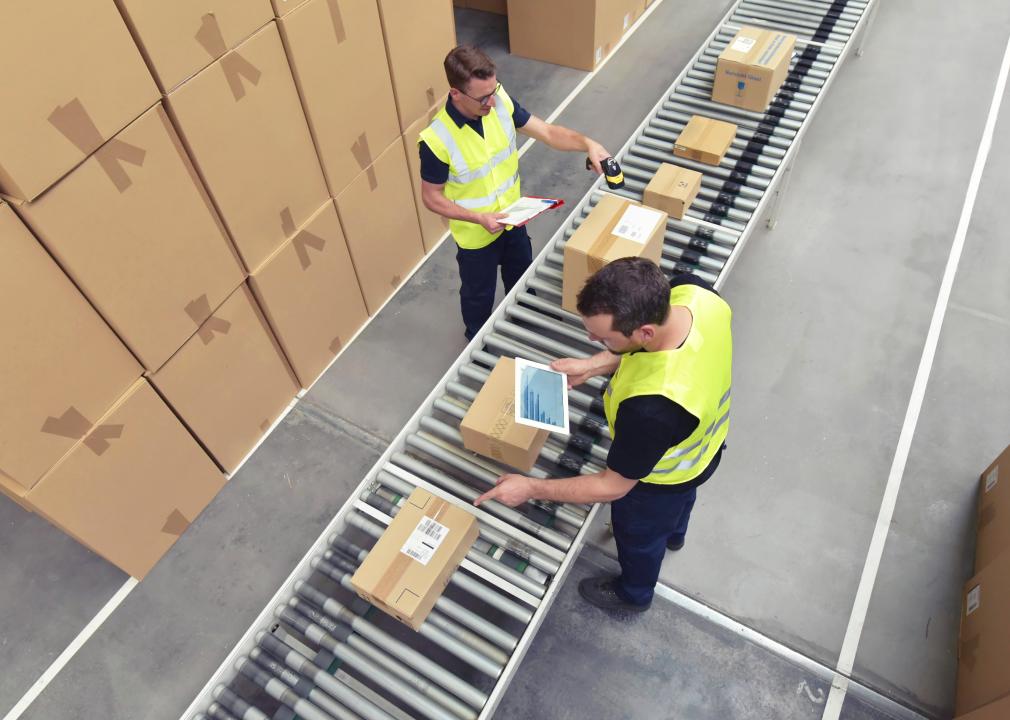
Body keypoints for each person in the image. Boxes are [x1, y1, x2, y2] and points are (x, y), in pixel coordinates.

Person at [474, 258, 733, 612]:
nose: (593, 340)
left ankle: (633, 594)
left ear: (643, 332)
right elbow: (651, 348)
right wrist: (592, 365)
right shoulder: (695, 294)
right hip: (703, 448)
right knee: (682, 503)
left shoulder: (652, 408)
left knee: (640, 537)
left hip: (661, 479)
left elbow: (612, 486)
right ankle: (676, 535)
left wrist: (530, 488)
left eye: (604, 338)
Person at [419, 45, 612, 341]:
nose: (492, 100)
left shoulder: (499, 102)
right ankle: (478, 342)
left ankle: (525, 315)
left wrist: (588, 144)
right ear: (456, 93)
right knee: (477, 296)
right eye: (483, 97)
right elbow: (431, 197)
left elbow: (547, 132)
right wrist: (478, 217)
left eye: (494, 89)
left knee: (522, 275)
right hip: (477, 236)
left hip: (514, 218)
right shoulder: (436, 139)